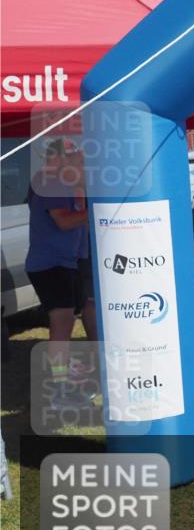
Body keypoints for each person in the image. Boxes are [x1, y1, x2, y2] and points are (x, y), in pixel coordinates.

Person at [26, 140, 91, 410]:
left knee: (64, 325)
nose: (82, 159)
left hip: (64, 264)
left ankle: (62, 386)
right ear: (60, 157)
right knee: (61, 327)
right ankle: (58, 392)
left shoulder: (62, 182)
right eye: (76, 154)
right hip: (50, 265)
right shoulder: (49, 181)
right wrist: (99, 209)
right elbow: (64, 221)